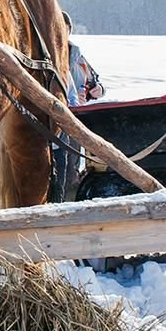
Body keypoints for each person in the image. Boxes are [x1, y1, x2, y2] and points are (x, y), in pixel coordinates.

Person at [53, 12, 104, 201]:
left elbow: (94, 83)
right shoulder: (47, 53)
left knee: (70, 168)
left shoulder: (77, 57)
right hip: (55, 118)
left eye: (64, 29)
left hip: (76, 118)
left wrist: (95, 90)